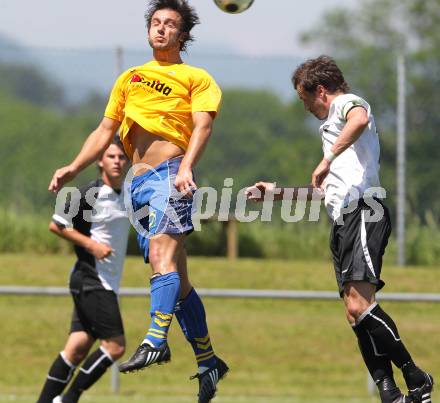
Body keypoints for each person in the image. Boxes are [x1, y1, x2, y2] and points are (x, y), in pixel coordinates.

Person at [48, 1, 228, 402]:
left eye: (170, 25)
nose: (161, 29)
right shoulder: (130, 77)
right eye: (156, 22)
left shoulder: (195, 77)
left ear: (183, 36)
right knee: (177, 283)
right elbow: (104, 129)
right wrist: (75, 167)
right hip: (138, 185)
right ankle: (208, 361)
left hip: (171, 176)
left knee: (163, 263)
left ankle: (154, 340)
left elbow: (203, 125)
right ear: (149, 30)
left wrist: (187, 168)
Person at [245, 55, 433, 403]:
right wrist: (275, 194)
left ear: (320, 91)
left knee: (361, 306)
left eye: (304, 99)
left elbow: (359, 117)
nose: (304, 108)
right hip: (345, 219)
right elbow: (323, 193)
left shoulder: (346, 105)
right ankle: (389, 393)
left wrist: (326, 159)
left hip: (365, 210)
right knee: (354, 311)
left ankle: (415, 376)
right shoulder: (336, 133)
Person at [37, 138, 130, 403]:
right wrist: (92, 245)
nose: (116, 161)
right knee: (115, 346)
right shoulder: (90, 193)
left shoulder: (128, 194)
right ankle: (69, 399)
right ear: (99, 160)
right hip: (93, 279)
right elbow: (57, 225)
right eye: (111, 156)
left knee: (76, 349)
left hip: (103, 281)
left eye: (121, 157)